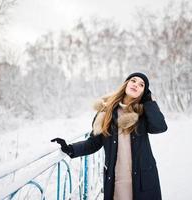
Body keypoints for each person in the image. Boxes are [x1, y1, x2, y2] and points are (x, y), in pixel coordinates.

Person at [51, 72, 168, 200]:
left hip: (143, 180)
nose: (136, 85)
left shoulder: (143, 112)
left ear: (143, 92)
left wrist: (149, 102)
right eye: (133, 81)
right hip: (117, 179)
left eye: (141, 85)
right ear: (126, 84)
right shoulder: (106, 113)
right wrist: (70, 148)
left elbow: (160, 127)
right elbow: (94, 143)